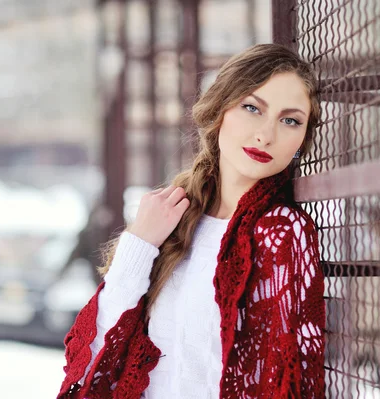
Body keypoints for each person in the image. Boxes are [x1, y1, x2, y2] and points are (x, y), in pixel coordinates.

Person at [57, 43, 326, 399]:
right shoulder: (175, 216)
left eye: (290, 120)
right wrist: (139, 243)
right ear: (219, 111)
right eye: (251, 108)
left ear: (302, 140)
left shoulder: (281, 231)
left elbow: (281, 377)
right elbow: (97, 353)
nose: (266, 135)